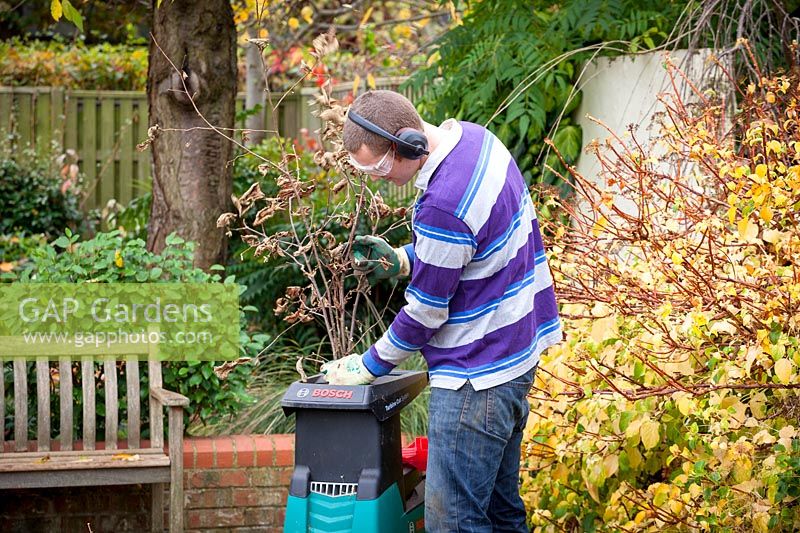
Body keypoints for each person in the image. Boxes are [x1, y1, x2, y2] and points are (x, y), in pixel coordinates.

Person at [321, 89, 562, 532]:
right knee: (500, 511)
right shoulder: (477, 141)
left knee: (454, 523)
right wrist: (404, 259)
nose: (378, 178)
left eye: (377, 167)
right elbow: (475, 248)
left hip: (477, 378)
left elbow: (426, 313)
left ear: (408, 143)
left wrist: (369, 365)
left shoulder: (443, 202)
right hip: (514, 356)